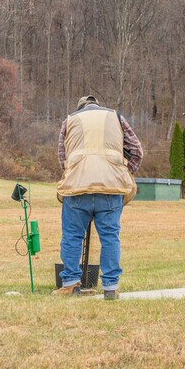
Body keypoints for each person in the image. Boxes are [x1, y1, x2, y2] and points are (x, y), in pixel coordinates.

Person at [53, 95, 143, 299]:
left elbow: (62, 158)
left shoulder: (70, 120)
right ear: (97, 107)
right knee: (110, 237)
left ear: (80, 109)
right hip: (110, 188)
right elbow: (137, 151)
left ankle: (70, 284)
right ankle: (110, 287)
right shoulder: (116, 117)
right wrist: (125, 171)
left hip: (77, 188)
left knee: (72, 236)